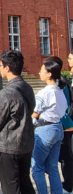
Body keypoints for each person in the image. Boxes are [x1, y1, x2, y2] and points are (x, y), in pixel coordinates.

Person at [0, 50, 36, 194]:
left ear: (7, 68)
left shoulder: (6, 93)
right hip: (26, 143)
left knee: (11, 187)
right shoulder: (27, 87)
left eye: (0, 65)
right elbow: (31, 108)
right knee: (25, 183)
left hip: (8, 146)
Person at [31, 61, 67, 194]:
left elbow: (34, 113)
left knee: (37, 168)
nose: (40, 73)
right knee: (52, 168)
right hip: (57, 127)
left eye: (42, 71)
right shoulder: (60, 91)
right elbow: (63, 110)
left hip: (45, 129)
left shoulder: (44, 92)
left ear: (49, 74)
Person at [60, 53, 73, 194]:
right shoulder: (68, 77)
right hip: (68, 120)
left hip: (70, 120)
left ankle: (68, 185)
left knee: (68, 155)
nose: (68, 60)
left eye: (70, 58)